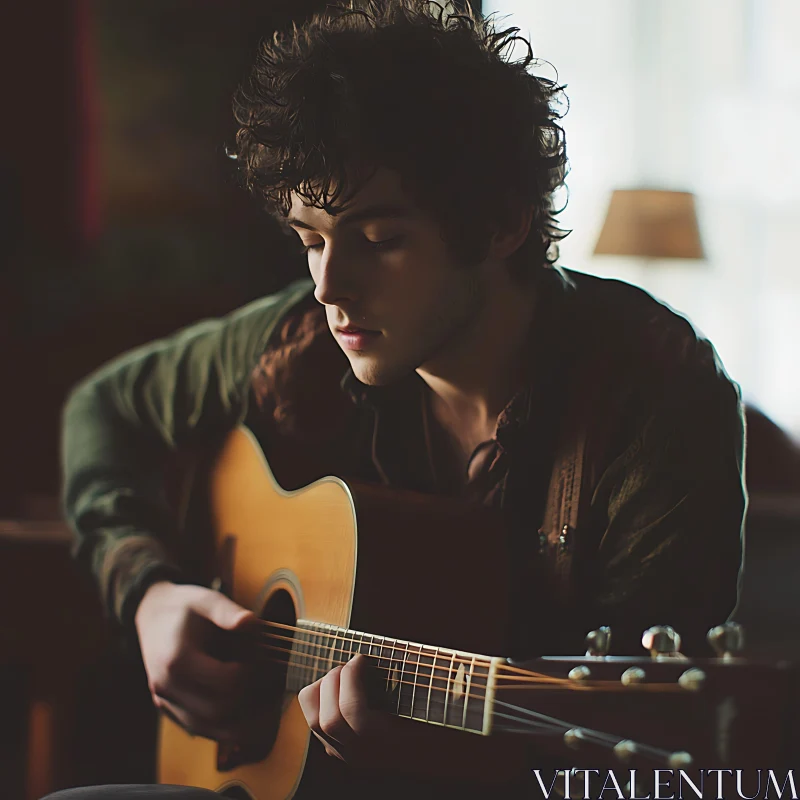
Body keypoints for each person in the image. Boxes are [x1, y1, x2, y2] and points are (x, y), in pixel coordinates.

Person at [48, 0, 746, 797]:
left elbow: (642, 751)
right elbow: (102, 409)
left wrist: (449, 758)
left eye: (380, 241)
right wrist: (150, 593)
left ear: (502, 225)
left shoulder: (655, 403)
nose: (327, 286)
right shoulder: (298, 345)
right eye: (311, 238)